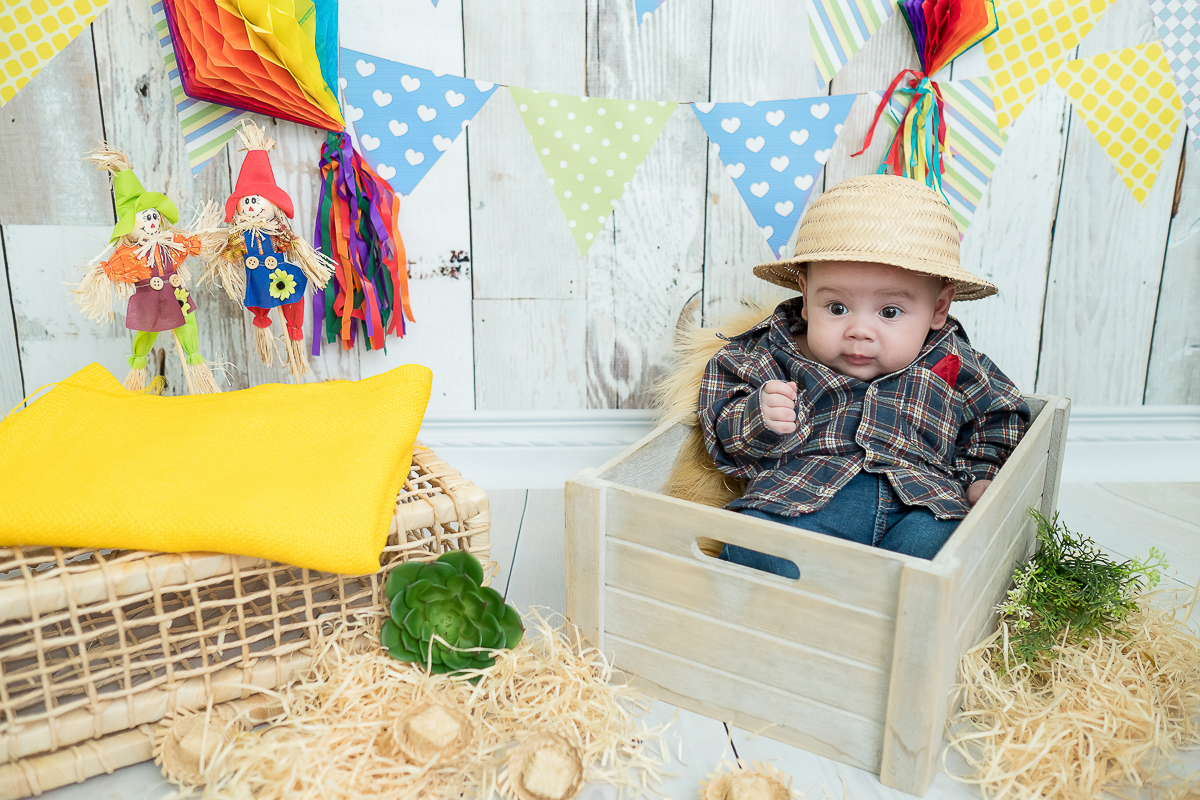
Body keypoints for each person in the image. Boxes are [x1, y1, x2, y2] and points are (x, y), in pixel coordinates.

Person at [698, 174, 1029, 572]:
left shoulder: (955, 363)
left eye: (890, 312)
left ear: (938, 308)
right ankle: (799, 619)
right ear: (805, 296)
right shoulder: (770, 353)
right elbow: (721, 423)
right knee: (759, 539)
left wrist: (981, 474)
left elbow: (999, 419)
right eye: (836, 308)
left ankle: (884, 617)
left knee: (948, 554)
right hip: (803, 496)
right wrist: (758, 416)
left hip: (922, 505)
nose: (858, 330)